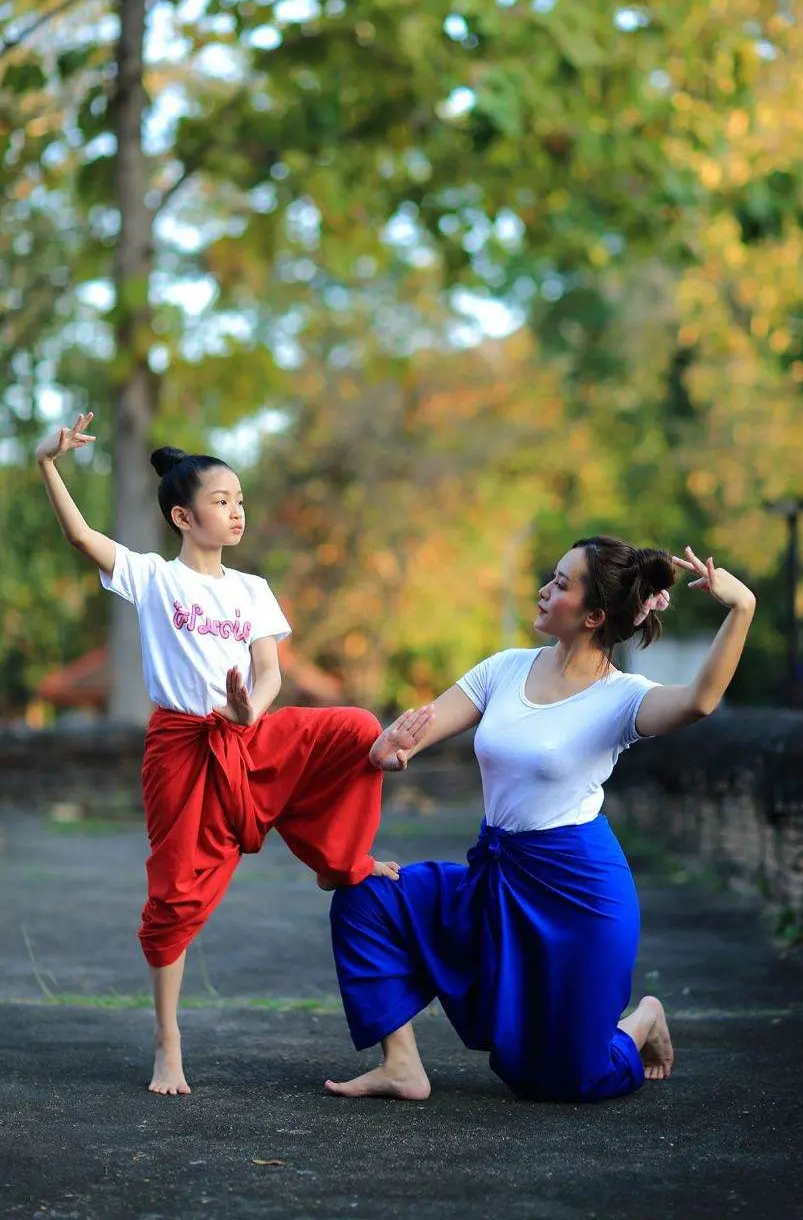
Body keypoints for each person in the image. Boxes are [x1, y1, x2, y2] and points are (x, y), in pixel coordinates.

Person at [35, 413, 427, 1097]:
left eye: (240, 500)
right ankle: (168, 1042)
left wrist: (254, 711)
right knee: (174, 898)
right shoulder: (155, 579)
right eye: (222, 501)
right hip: (183, 747)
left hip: (250, 732)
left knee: (352, 727)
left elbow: (268, 671)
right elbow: (79, 536)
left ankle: (344, 863)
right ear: (183, 516)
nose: (236, 511)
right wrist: (48, 464)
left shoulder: (252, 591)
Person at [325, 535, 756, 1103]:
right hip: (495, 877)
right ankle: (402, 1066)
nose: (543, 590)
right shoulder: (504, 670)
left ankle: (641, 1021)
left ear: (595, 615)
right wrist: (391, 750)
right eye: (550, 578)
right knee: (365, 899)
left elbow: (699, 702)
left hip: (578, 894)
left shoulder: (624, 698)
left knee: (564, 1081)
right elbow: (420, 728)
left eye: (560, 584)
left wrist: (741, 608)